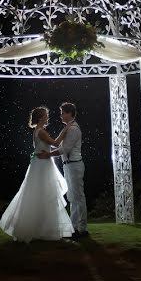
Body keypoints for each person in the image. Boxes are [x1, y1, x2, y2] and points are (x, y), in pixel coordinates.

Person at [0, 106, 74, 242]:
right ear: (40, 117)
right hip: (43, 165)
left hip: (40, 164)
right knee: (45, 194)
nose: (47, 117)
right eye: (46, 115)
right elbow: (56, 143)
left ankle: (40, 229)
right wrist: (65, 130)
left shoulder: (37, 131)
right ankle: (44, 230)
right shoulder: (41, 132)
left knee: (40, 195)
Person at [38, 102, 87, 238]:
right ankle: (75, 227)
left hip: (74, 164)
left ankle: (82, 228)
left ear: (69, 113)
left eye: (62, 113)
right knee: (72, 196)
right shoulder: (68, 128)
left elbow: (64, 149)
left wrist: (48, 154)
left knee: (78, 197)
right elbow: (59, 146)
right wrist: (48, 150)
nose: (60, 116)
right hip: (69, 164)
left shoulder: (73, 129)